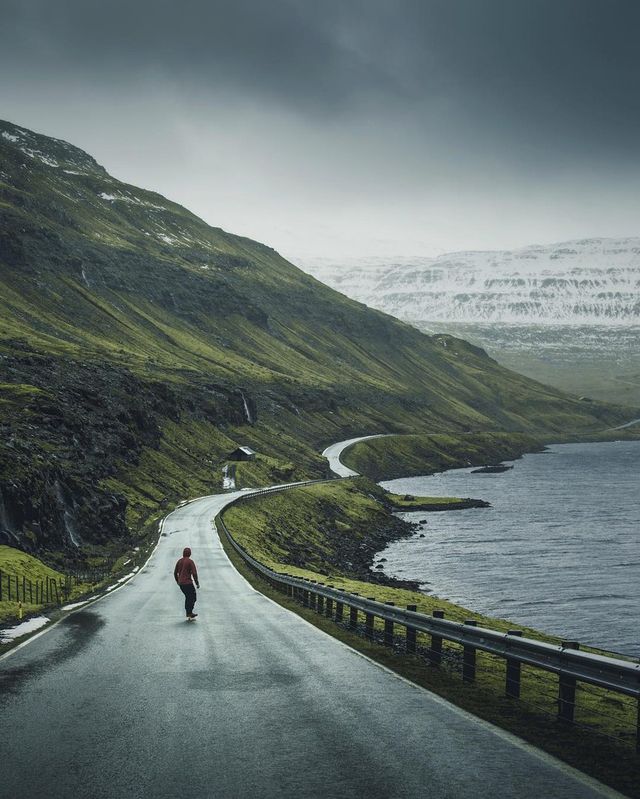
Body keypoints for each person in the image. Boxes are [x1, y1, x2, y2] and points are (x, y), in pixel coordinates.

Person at [174, 546, 200, 619]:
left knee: (188, 597)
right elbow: (194, 573)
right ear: (190, 554)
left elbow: (175, 572)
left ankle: (188, 612)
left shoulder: (179, 561)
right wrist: (197, 583)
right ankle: (189, 612)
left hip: (181, 584)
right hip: (188, 583)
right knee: (193, 597)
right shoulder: (190, 561)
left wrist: (178, 581)